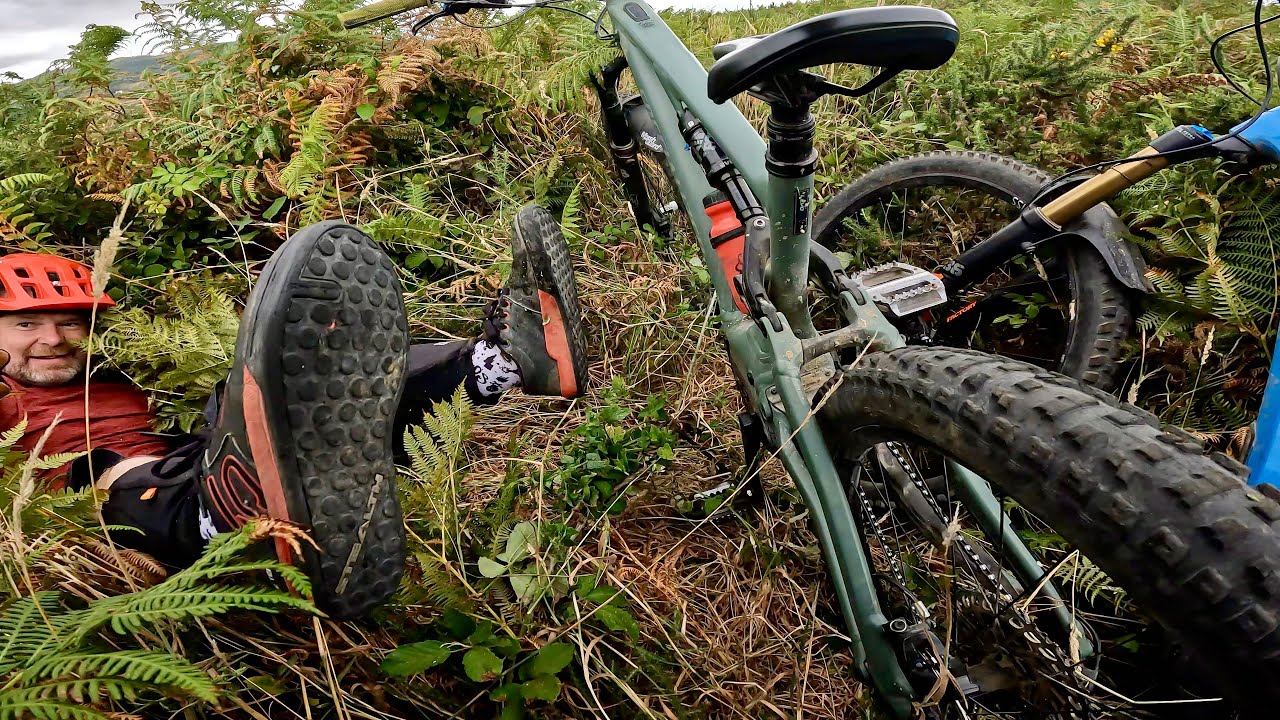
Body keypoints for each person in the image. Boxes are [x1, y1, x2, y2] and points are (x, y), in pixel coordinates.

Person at [0, 205, 587, 618]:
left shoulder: (121, 378)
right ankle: (221, 517)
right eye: (26, 324)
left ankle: (500, 361)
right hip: (90, 506)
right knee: (102, 470)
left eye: (69, 322)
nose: (52, 339)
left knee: (286, 389)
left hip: (189, 458)